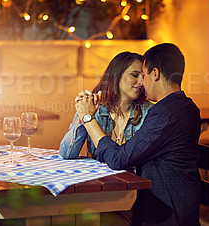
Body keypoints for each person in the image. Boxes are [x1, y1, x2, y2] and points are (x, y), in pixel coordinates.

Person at [74, 43, 201, 225]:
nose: (142, 82)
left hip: (168, 215)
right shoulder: (185, 107)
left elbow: (119, 159)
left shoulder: (166, 114)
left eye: (144, 74)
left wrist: (88, 118)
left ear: (155, 74)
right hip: (171, 206)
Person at [59, 51, 153, 160]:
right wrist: (83, 115)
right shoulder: (96, 109)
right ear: (117, 75)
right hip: (99, 176)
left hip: (131, 176)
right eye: (135, 75)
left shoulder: (148, 111)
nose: (141, 82)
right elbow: (67, 154)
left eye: (143, 77)